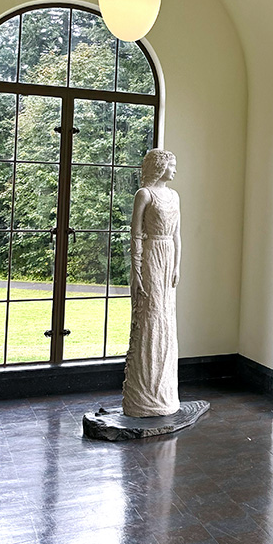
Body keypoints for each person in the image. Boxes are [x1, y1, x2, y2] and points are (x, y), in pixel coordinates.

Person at [121, 148, 182, 418]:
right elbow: (135, 235)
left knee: (166, 317)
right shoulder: (144, 195)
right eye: (172, 166)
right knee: (151, 315)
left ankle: (164, 393)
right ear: (160, 167)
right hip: (151, 257)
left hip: (168, 256)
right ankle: (143, 394)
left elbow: (178, 235)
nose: (175, 171)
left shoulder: (174, 196)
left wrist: (178, 265)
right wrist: (136, 269)